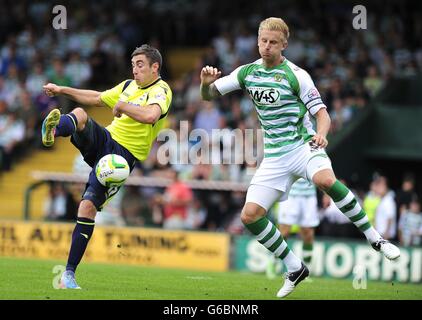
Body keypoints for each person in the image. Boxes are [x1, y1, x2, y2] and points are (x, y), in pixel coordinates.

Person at [199, 17, 400, 298]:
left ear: (284, 45)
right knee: (249, 216)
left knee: (326, 180)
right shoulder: (246, 72)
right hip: (275, 157)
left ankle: (375, 239)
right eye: (263, 41)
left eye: (273, 42)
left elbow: (322, 114)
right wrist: (205, 84)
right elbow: (208, 96)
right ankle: (295, 267)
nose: (267, 46)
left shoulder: (297, 75)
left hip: (303, 146)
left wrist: (322, 135)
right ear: (258, 41)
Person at [41, 44, 172, 289]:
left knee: (87, 207)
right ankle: (54, 131)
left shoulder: (161, 90)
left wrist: (123, 107)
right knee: (80, 113)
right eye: (133, 65)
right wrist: (61, 89)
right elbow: (95, 97)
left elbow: (151, 116)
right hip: (106, 142)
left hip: (123, 158)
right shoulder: (127, 86)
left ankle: (68, 275)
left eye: (140, 65)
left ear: (155, 67)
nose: (135, 70)